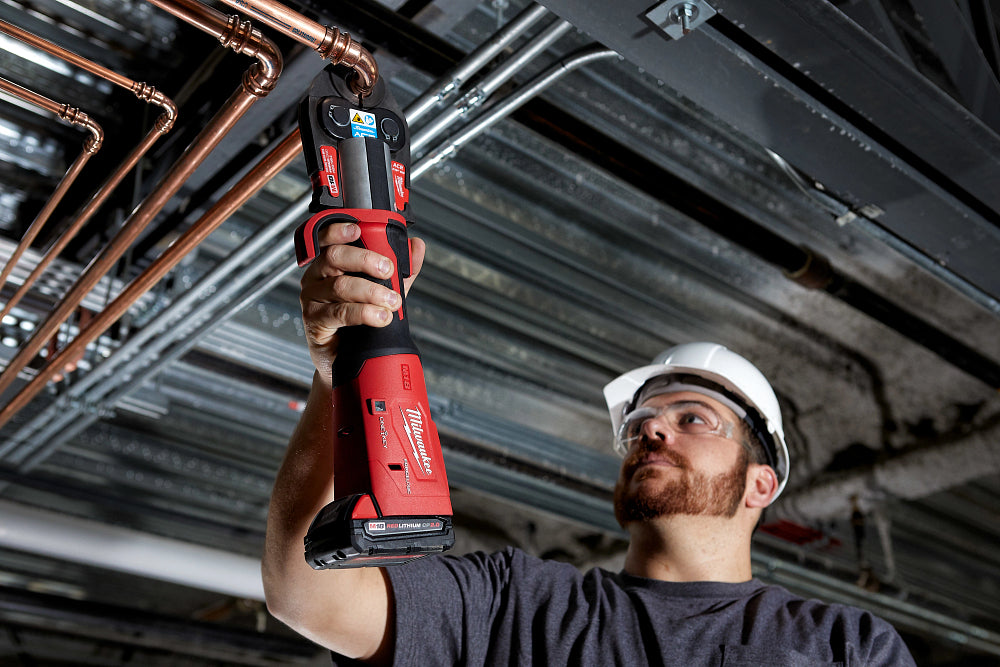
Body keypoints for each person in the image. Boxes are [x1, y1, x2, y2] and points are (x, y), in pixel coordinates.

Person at [262, 221, 917, 666]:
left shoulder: (845, 647)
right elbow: (306, 593)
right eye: (640, 425)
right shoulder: (515, 605)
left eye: (694, 417)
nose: (651, 429)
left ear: (761, 482)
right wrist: (337, 373)